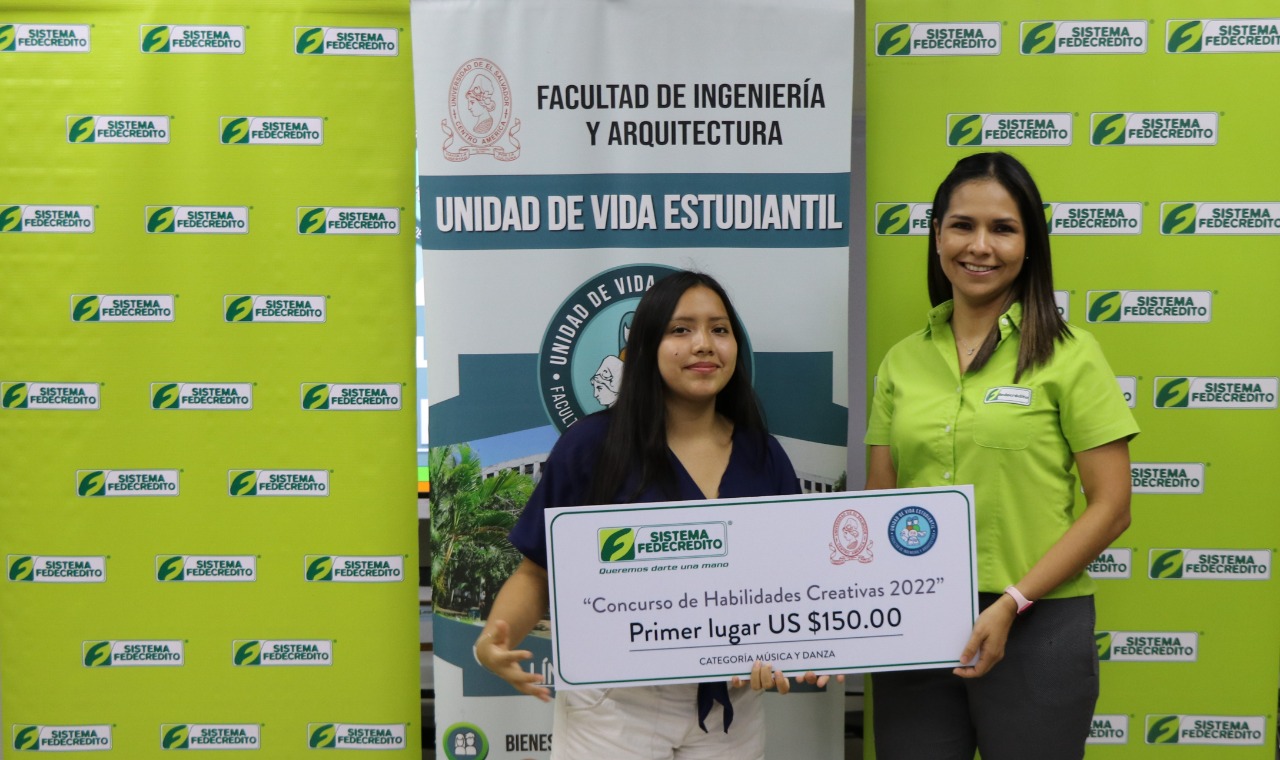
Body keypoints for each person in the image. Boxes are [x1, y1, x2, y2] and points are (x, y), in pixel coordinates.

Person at [864, 152, 1138, 759]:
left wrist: (1013, 601)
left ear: (1029, 243)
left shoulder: (1072, 355)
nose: (980, 246)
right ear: (937, 235)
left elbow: (1112, 506)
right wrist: (838, 623)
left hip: (1039, 623)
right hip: (915, 620)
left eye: (1003, 229)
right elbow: (880, 503)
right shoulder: (902, 361)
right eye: (962, 225)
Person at [474, 270, 801, 760]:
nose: (704, 344)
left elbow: (794, 581)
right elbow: (536, 572)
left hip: (732, 707)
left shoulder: (763, 454)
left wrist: (797, 650)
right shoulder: (591, 447)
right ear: (646, 347)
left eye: (719, 329)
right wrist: (493, 639)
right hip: (615, 706)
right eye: (681, 330)